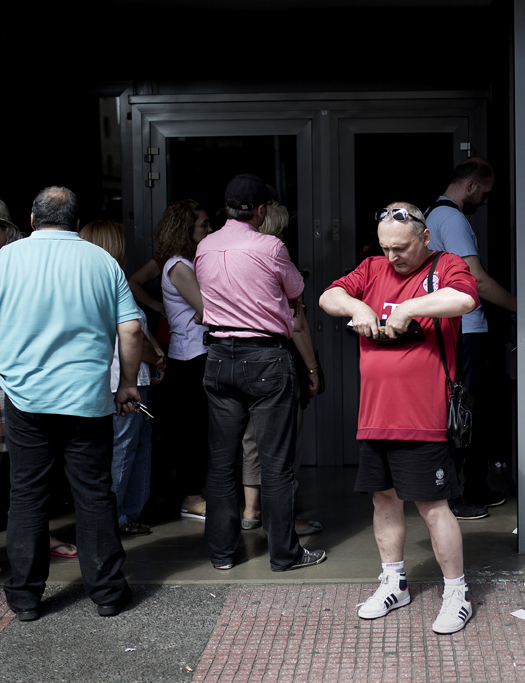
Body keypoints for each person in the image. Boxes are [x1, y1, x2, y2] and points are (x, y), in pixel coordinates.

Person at [0, 186, 142, 621]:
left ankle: (24, 599)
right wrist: (128, 384)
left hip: (25, 400)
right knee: (94, 495)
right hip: (87, 400)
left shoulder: (5, 259)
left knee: (27, 496)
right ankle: (109, 594)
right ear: (77, 223)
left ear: (34, 220)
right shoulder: (103, 262)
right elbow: (131, 331)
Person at [319, 201, 479, 634]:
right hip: (375, 414)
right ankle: (394, 582)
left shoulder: (445, 266)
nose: (394, 257)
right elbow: (328, 295)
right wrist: (357, 308)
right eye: (387, 247)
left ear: (425, 238)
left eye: (403, 248)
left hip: (423, 413)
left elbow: (465, 297)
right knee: (383, 499)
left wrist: (408, 309)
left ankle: (456, 593)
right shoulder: (371, 268)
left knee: (432, 506)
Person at [194, 173, 326, 572]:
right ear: (262, 210)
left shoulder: (204, 245)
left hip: (218, 355)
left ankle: (220, 553)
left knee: (221, 462)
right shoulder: (270, 246)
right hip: (265, 356)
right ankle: (284, 554)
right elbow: (295, 289)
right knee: (275, 463)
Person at [424, 157, 515, 520]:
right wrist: (520, 308)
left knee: (464, 411)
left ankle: (471, 488)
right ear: (472, 185)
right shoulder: (452, 219)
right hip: (466, 331)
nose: (487, 201)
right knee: (462, 414)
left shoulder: (433, 213)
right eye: (486, 193)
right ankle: (455, 497)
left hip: (456, 330)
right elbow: (475, 280)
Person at [239, 201, 322, 536]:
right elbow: (297, 323)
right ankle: (285, 520)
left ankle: (250, 510)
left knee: (252, 438)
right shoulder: (275, 256)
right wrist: (313, 370)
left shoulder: (238, 257)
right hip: (278, 356)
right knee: (287, 441)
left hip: (240, 355)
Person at [80, 219, 165, 536]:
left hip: (123, 380)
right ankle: (113, 518)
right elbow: (131, 335)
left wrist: (154, 354)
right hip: (123, 383)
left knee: (133, 448)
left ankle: (125, 514)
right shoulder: (111, 284)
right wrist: (154, 358)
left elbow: (138, 329)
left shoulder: (92, 284)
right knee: (124, 450)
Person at [154, 199, 211, 521]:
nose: (209, 229)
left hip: (193, 354)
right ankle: (191, 496)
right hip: (190, 358)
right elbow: (207, 310)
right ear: (185, 230)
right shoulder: (178, 266)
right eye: (203, 225)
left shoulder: (187, 263)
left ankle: (196, 491)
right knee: (192, 430)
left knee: (197, 428)